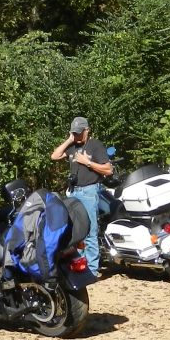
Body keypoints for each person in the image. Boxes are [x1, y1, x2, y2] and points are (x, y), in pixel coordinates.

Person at [51, 116, 112, 277]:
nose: (77, 135)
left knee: (90, 231)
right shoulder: (72, 146)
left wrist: (87, 162)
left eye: (79, 132)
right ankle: (80, 265)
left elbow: (108, 170)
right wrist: (69, 140)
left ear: (87, 130)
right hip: (73, 192)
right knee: (75, 231)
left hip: (89, 192)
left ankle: (92, 270)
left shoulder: (95, 145)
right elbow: (54, 156)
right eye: (74, 133)